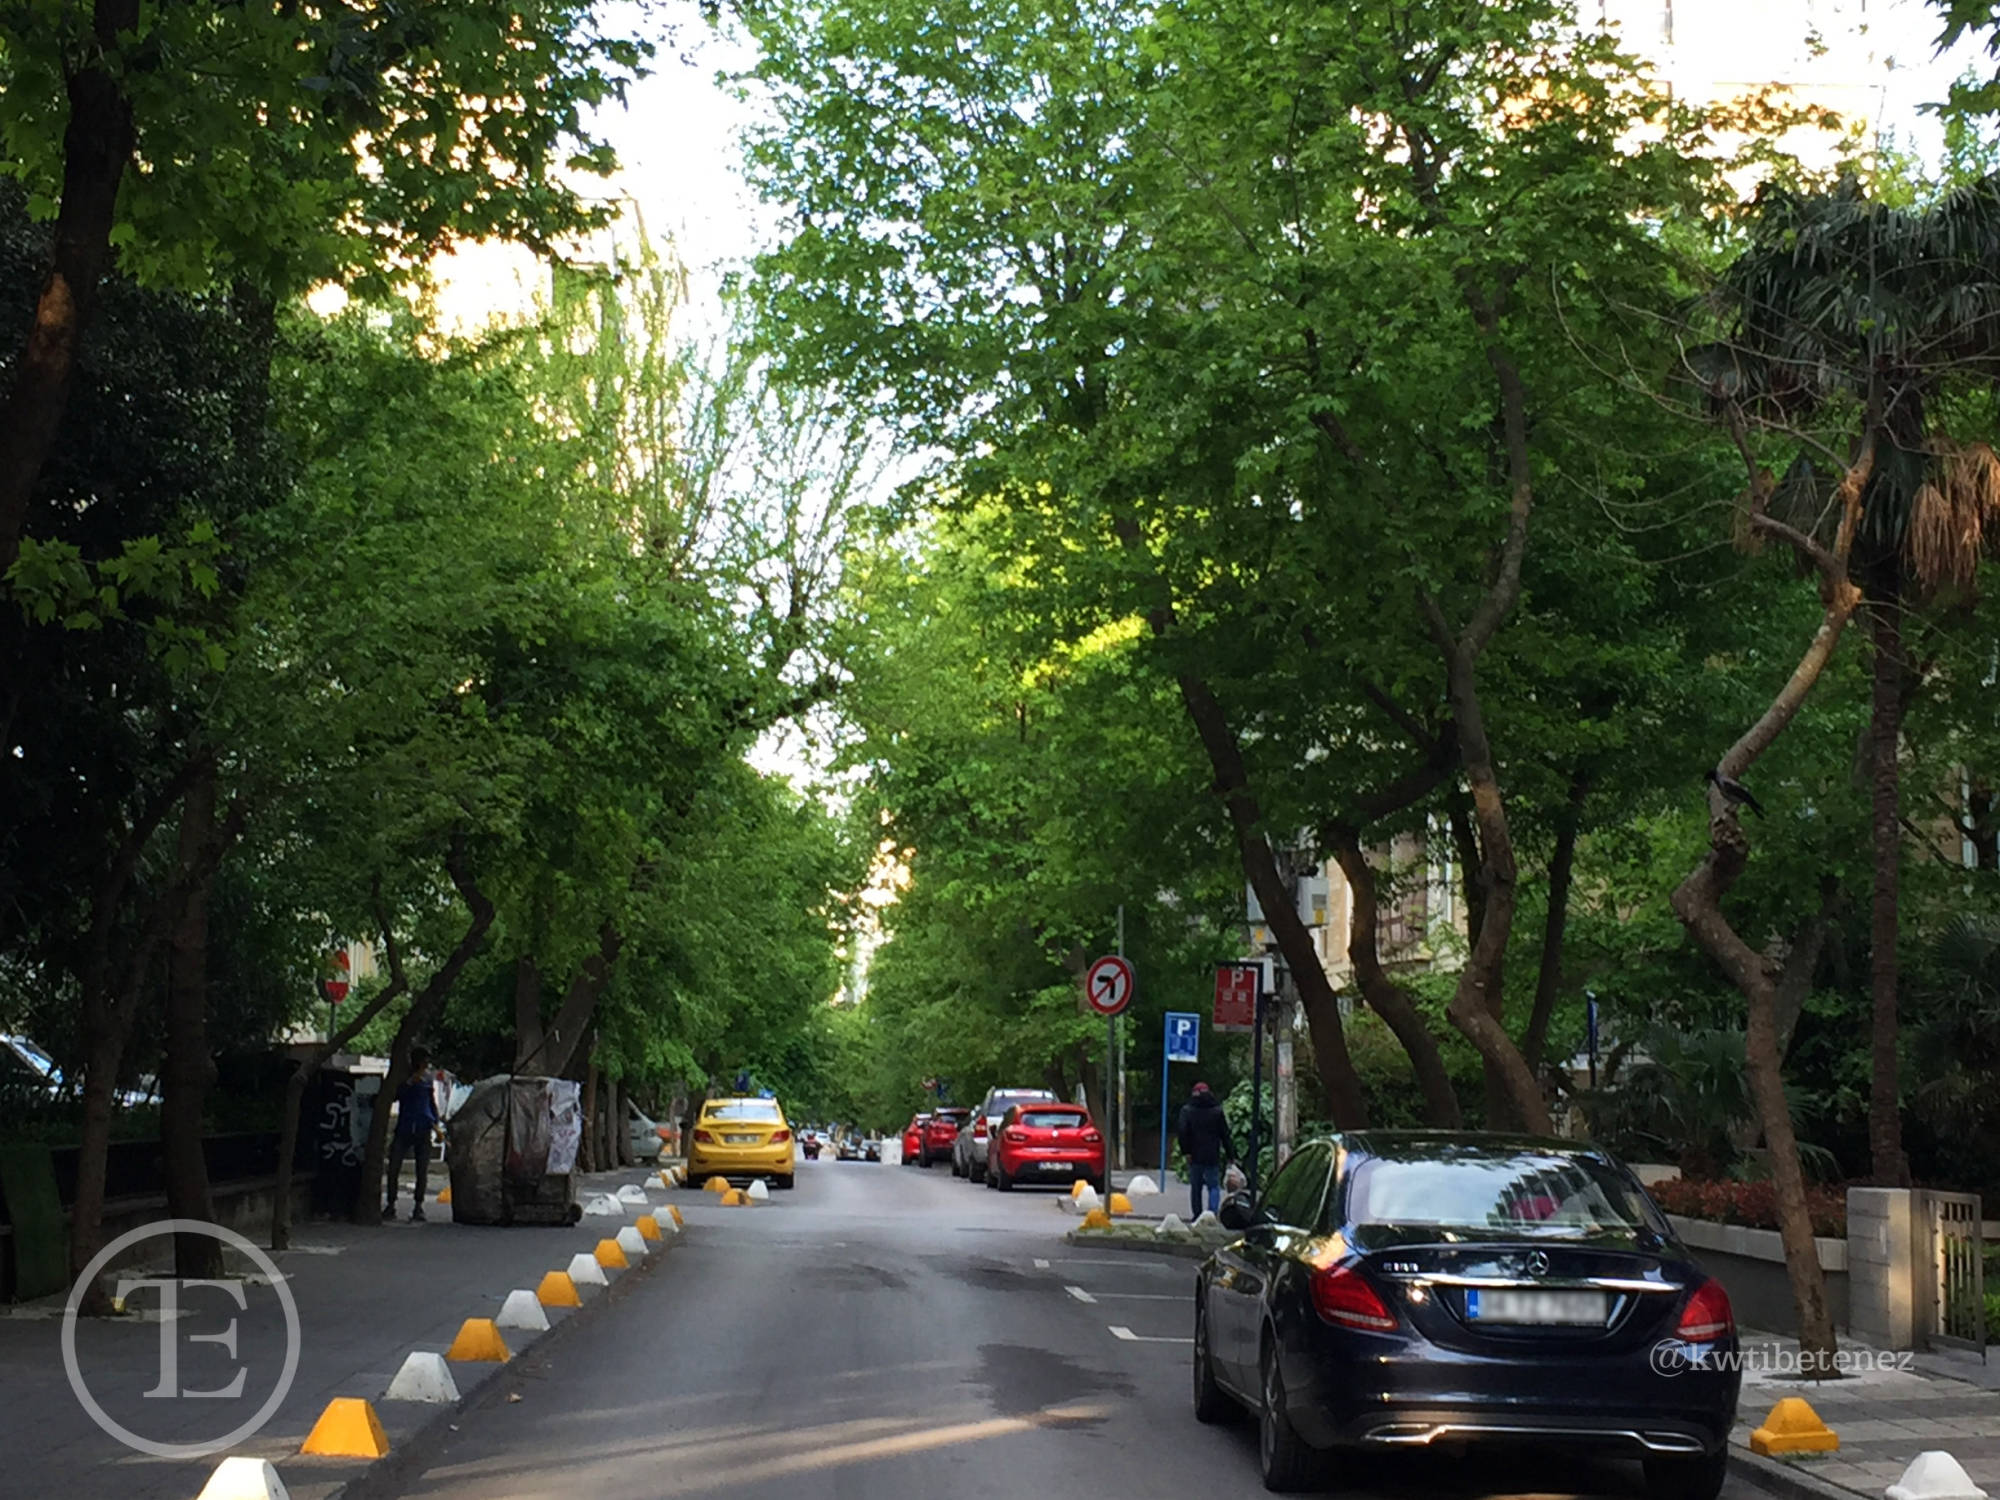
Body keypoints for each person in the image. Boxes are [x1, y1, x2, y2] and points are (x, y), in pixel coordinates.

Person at [385, 1047, 439, 1222]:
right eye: (424, 1061)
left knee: (422, 1170)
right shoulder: (404, 1078)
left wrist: (436, 1124)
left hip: (423, 1128)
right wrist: (409, 1083)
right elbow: (394, 1096)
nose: (426, 1065)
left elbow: (431, 1103)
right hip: (405, 1127)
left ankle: (418, 1206)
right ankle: (391, 1203)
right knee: (394, 1167)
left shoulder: (428, 1079)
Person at [1175, 1081, 1234, 1219]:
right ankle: (1211, 1214)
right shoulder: (1217, 1110)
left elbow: (1182, 1132)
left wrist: (1186, 1151)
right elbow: (1225, 1134)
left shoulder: (1187, 1111)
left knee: (1196, 1187)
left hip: (1194, 1155)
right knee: (1213, 1186)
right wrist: (1231, 1154)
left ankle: (1197, 1215)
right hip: (1212, 1154)